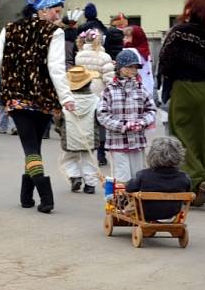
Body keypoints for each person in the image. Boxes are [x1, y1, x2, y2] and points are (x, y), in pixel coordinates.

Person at [0, 0, 76, 213]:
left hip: (16, 96)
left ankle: (26, 196)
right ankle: (46, 197)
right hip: (42, 98)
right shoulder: (55, 33)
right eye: (55, 11)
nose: (57, 16)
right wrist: (66, 98)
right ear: (42, 10)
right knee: (33, 147)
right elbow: (56, 69)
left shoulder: (10, 28)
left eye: (59, 12)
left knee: (32, 147)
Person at [158, 0, 205, 207]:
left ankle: (195, 179)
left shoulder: (179, 32)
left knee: (182, 136)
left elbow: (165, 61)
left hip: (184, 88)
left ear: (190, 9)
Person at [97, 49, 157, 183]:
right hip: (117, 143)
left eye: (136, 67)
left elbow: (151, 110)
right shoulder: (109, 90)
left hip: (137, 142)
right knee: (122, 180)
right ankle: (122, 203)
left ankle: (135, 204)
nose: (133, 70)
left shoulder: (141, 89)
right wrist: (122, 126)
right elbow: (102, 115)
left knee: (138, 178)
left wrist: (142, 123)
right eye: (130, 66)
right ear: (120, 68)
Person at [56, 65, 101, 193]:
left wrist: (59, 129)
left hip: (70, 136)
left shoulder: (65, 101)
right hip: (89, 136)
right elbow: (100, 116)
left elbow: (57, 118)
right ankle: (90, 185)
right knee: (89, 159)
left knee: (68, 158)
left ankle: (75, 176)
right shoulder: (95, 100)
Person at [126, 136, 192, 221]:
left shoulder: (143, 175)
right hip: (173, 214)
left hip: (146, 213)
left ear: (152, 154)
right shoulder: (184, 177)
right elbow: (188, 193)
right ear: (179, 154)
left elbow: (129, 188)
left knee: (130, 197)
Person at [75, 29, 114, 165]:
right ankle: (101, 154)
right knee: (101, 122)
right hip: (99, 90)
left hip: (84, 88)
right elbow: (109, 77)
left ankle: (87, 152)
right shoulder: (104, 57)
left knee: (88, 122)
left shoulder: (79, 56)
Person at [122, 25, 155, 103]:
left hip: (134, 90)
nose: (124, 39)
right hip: (147, 87)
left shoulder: (131, 51)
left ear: (136, 38)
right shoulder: (144, 49)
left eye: (128, 37)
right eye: (125, 36)